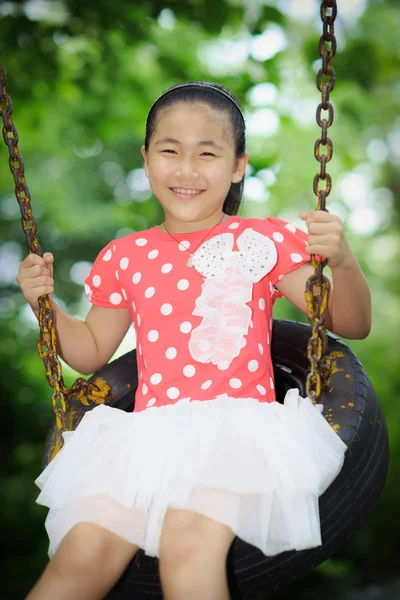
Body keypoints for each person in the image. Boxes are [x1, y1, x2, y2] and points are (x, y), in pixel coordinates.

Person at [17, 81, 371, 600]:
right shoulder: (125, 255)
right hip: (145, 441)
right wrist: (44, 306)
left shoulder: (261, 241)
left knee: (188, 548)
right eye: (169, 151)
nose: (186, 170)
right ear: (146, 159)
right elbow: (91, 350)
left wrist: (342, 260)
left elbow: (350, 321)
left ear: (237, 166)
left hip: (235, 433)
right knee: (79, 559)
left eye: (207, 154)